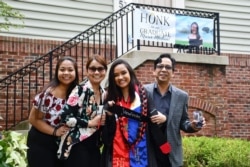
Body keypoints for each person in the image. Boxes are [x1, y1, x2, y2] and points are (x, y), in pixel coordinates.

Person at [101, 59, 168, 167]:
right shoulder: (110, 98)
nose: (120, 77)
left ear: (130, 73)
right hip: (116, 153)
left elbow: (154, 124)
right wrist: (108, 116)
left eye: (123, 73)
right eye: (116, 75)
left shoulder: (143, 94)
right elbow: (105, 135)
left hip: (142, 151)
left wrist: (164, 119)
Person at [144, 53, 206, 167]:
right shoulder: (143, 91)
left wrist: (192, 126)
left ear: (173, 73)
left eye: (168, 67)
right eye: (160, 66)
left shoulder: (182, 96)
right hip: (148, 148)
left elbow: (183, 122)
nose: (163, 69)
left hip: (169, 151)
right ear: (154, 71)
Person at [27, 56, 79, 167]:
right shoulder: (48, 94)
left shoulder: (76, 93)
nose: (66, 73)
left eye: (70, 70)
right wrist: (55, 131)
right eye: (62, 69)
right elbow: (33, 119)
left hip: (62, 144)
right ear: (57, 72)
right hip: (41, 142)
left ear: (76, 72)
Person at [57, 54, 107, 167]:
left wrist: (104, 119)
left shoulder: (104, 93)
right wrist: (90, 122)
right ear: (87, 71)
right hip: (77, 145)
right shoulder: (80, 90)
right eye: (93, 69)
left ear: (105, 71)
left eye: (100, 69)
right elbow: (64, 117)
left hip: (94, 145)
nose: (97, 72)